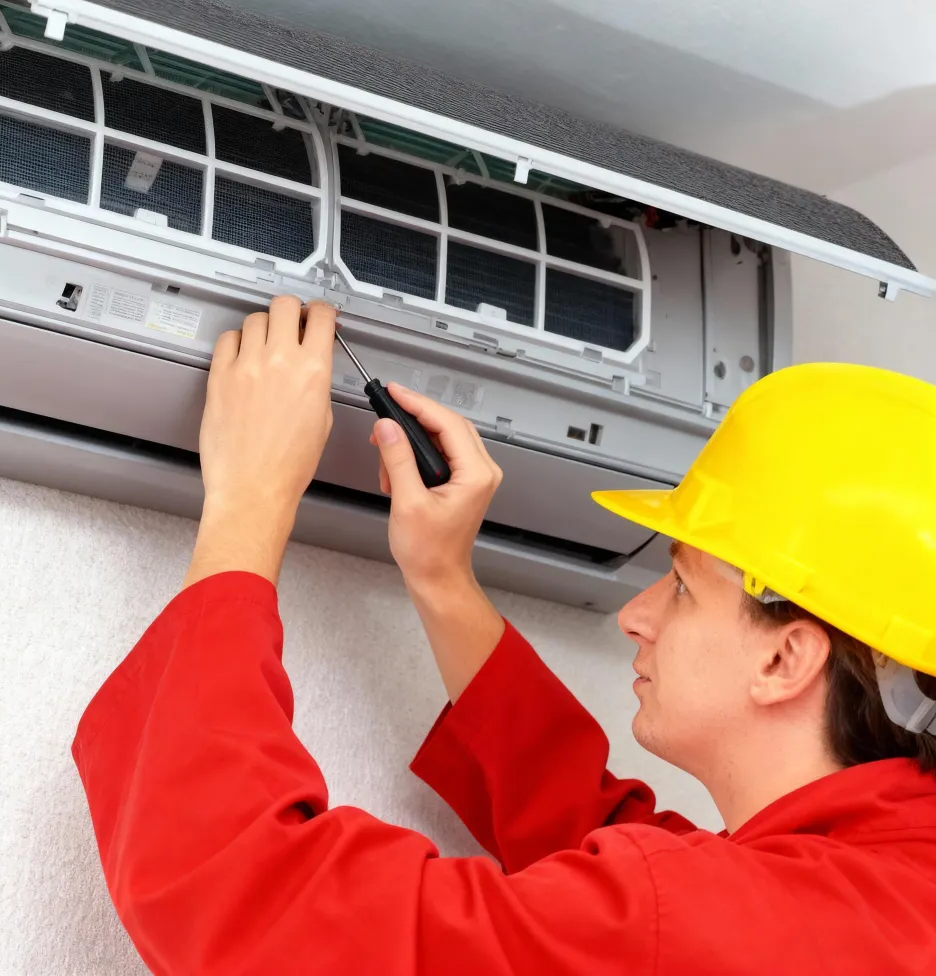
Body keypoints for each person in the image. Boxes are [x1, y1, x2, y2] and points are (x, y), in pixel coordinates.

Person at [72, 295, 936, 974]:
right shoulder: (884, 905)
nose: (637, 614)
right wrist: (444, 580)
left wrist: (249, 503)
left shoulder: (734, 925)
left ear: (786, 656)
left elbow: (243, 898)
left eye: (679, 586)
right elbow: (625, 908)